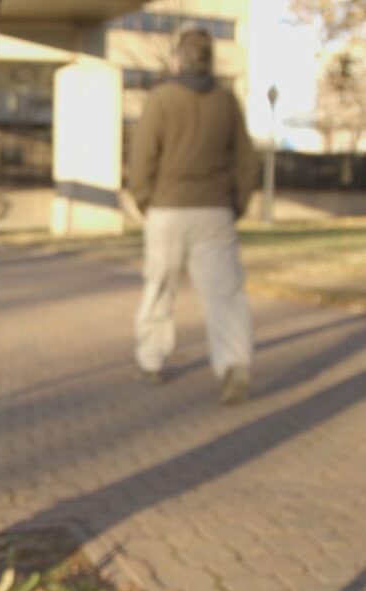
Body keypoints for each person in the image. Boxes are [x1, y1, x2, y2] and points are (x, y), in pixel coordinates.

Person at [129, 25, 259, 404]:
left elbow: (141, 158)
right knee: (226, 293)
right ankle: (234, 363)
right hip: (215, 210)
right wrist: (236, 204)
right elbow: (247, 161)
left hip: (167, 209)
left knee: (159, 287)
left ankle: (151, 359)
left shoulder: (161, 99)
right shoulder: (226, 101)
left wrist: (143, 199)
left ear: (178, 59)